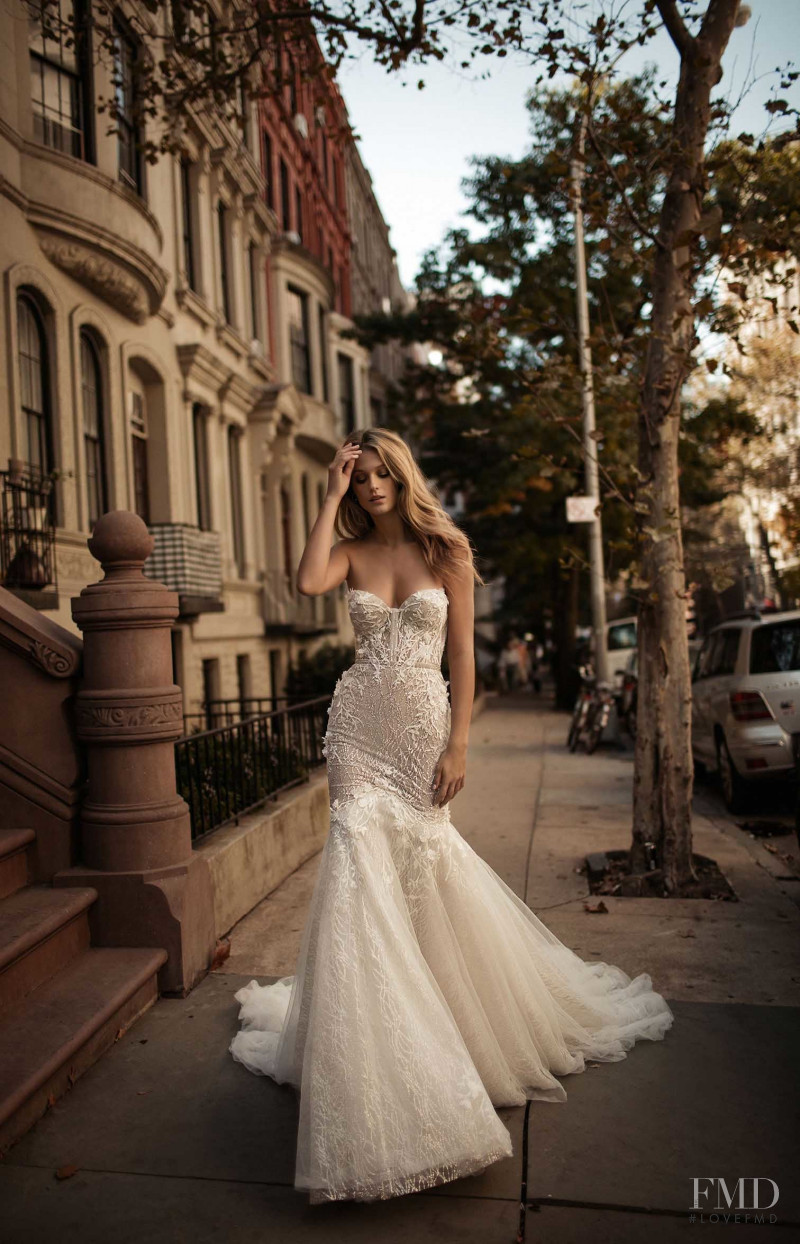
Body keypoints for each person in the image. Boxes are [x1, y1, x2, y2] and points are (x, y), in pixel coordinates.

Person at [228, 428, 674, 1206]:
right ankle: (373, 1059)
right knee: (358, 878)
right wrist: (325, 494)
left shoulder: (447, 550)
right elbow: (304, 582)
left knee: (425, 874)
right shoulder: (349, 549)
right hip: (357, 734)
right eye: (358, 478)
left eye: (378, 475)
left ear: (403, 474)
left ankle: (447, 1020)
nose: (370, 488)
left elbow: (462, 656)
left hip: (422, 733)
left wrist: (461, 742)